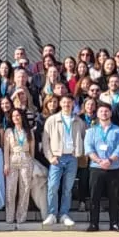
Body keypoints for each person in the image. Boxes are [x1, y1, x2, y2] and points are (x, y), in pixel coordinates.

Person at [84, 102, 119, 231]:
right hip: (96, 168)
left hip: (114, 168)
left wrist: (109, 160)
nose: (104, 113)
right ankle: (93, 223)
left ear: (111, 113)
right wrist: (99, 161)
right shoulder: (91, 131)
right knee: (94, 197)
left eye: (106, 111)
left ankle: (114, 223)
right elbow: (89, 148)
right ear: (97, 114)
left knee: (114, 197)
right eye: (101, 111)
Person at [41, 94, 82, 228]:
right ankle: (52, 214)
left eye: (69, 103)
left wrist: (79, 152)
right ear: (60, 104)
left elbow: (84, 136)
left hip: (72, 157)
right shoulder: (52, 120)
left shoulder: (78, 121)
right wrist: (50, 157)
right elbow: (45, 141)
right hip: (57, 158)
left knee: (68, 188)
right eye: (64, 102)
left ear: (73, 104)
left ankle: (64, 214)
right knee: (53, 186)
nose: (66, 105)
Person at [2, 106, 35, 224]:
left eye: (18, 115)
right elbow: (6, 149)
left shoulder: (29, 131)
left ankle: (21, 216)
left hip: (26, 158)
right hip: (12, 158)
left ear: (22, 117)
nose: (16, 118)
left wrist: (31, 162)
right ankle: (10, 216)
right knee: (11, 189)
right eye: (13, 116)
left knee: (25, 188)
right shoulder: (9, 131)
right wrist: (6, 164)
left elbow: (32, 150)